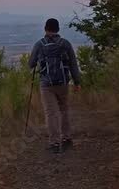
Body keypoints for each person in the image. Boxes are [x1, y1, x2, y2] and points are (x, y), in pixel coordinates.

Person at [28, 18, 81, 154]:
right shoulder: (65, 44)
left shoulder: (39, 44)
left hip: (46, 84)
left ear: (45, 29)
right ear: (58, 29)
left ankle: (55, 143)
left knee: (51, 113)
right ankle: (67, 139)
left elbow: (31, 64)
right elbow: (73, 64)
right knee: (64, 110)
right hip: (63, 83)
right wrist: (77, 82)